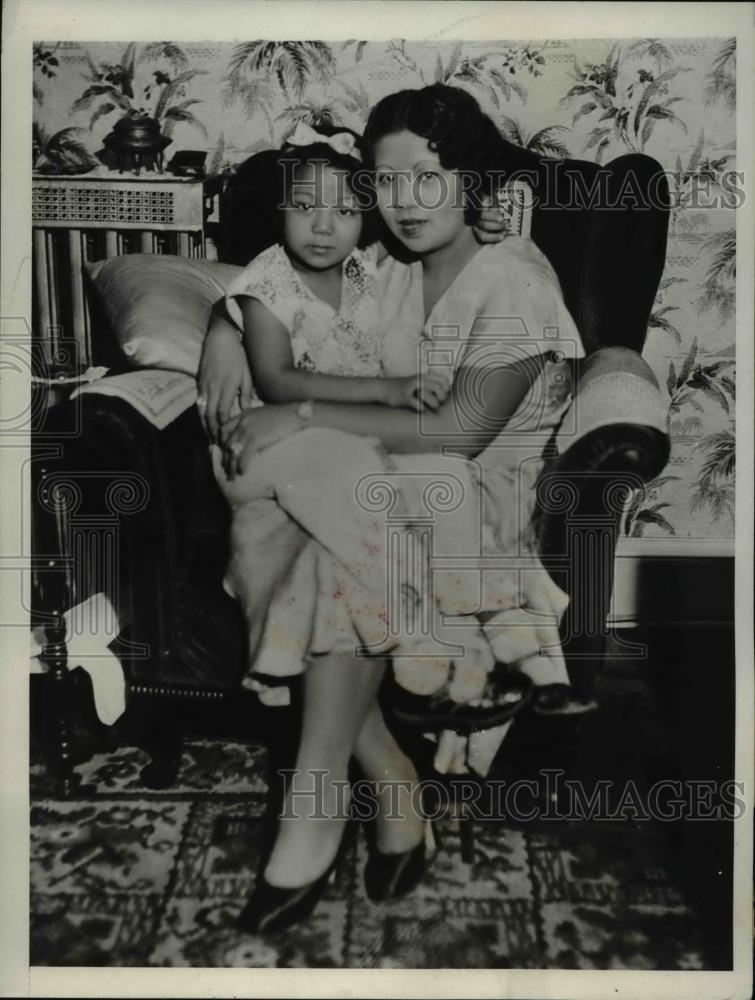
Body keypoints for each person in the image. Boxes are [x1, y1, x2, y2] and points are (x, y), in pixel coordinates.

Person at [198, 84, 586, 935]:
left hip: (470, 497)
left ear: (472, 180)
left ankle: (313, 803)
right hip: (375, 479)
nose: (404, 202)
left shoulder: (513, 277)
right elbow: (291, 290)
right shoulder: (394, 271)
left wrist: (294, 412)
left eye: (428, 177)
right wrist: (225, 333)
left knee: (324, 547)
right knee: (322, 498)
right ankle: (393, 788)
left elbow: (455, 433)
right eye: (385, 180)